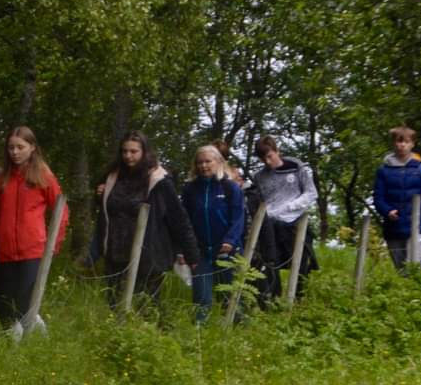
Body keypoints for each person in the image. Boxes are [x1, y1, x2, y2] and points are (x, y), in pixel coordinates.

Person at [91, 130, 199, 307]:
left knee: (145, 306)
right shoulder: (112, 176)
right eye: (124, 151)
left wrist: (191, 254)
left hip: (148, 254)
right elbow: (108, 209)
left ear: (144, 152)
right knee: (114, 304)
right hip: (115, 251)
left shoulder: (159, 180)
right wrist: (99, 196)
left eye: (133, 151)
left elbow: (178, 218)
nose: (128, 156)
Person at [0, 128, 65, 334]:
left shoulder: (44, 176)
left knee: (25, 302)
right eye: (11, 148)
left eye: (20, 147)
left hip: (33, 251)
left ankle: (36, 341)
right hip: (5, 252)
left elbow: (61, 211)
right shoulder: (2, 179)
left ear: (32, 147)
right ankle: (20, 339)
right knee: (9, 300)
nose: (15, 152)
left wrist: (54, 244)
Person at [182, 143, 247, 324]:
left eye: (208, 161)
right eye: (199, 162)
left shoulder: (230, 188)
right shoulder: (190, 190)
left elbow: (238, 218)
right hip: (201, 251)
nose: (203, 166)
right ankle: (199, 332)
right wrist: (184, 249)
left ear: (218, 162)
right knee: (202, 297)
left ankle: (237, 330)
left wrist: (230, 240)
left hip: (227, 250)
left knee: (231, 296)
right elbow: (185, 221)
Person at [248, 136, 317, 304]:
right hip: (271, 225)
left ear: (277, 151)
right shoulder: (259, 177)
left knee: (301, 263)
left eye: (269, 156)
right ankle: (273, 300)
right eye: (263, 159)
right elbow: (259, 201)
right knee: (270, 262)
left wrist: (291, 206)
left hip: (295, 223)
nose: (267, 161)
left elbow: (311, 193)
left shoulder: (296, 167)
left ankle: (298, 299)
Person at [372, 126, 421, 267]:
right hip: (393, 229)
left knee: (414, 267)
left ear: (412, 144)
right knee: (401, 269)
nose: (402, 145)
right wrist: (387, 211)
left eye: (406, 142)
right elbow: (378, 198)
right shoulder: (383, 171)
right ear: (393, 143)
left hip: (417, 227)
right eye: (399, 141)